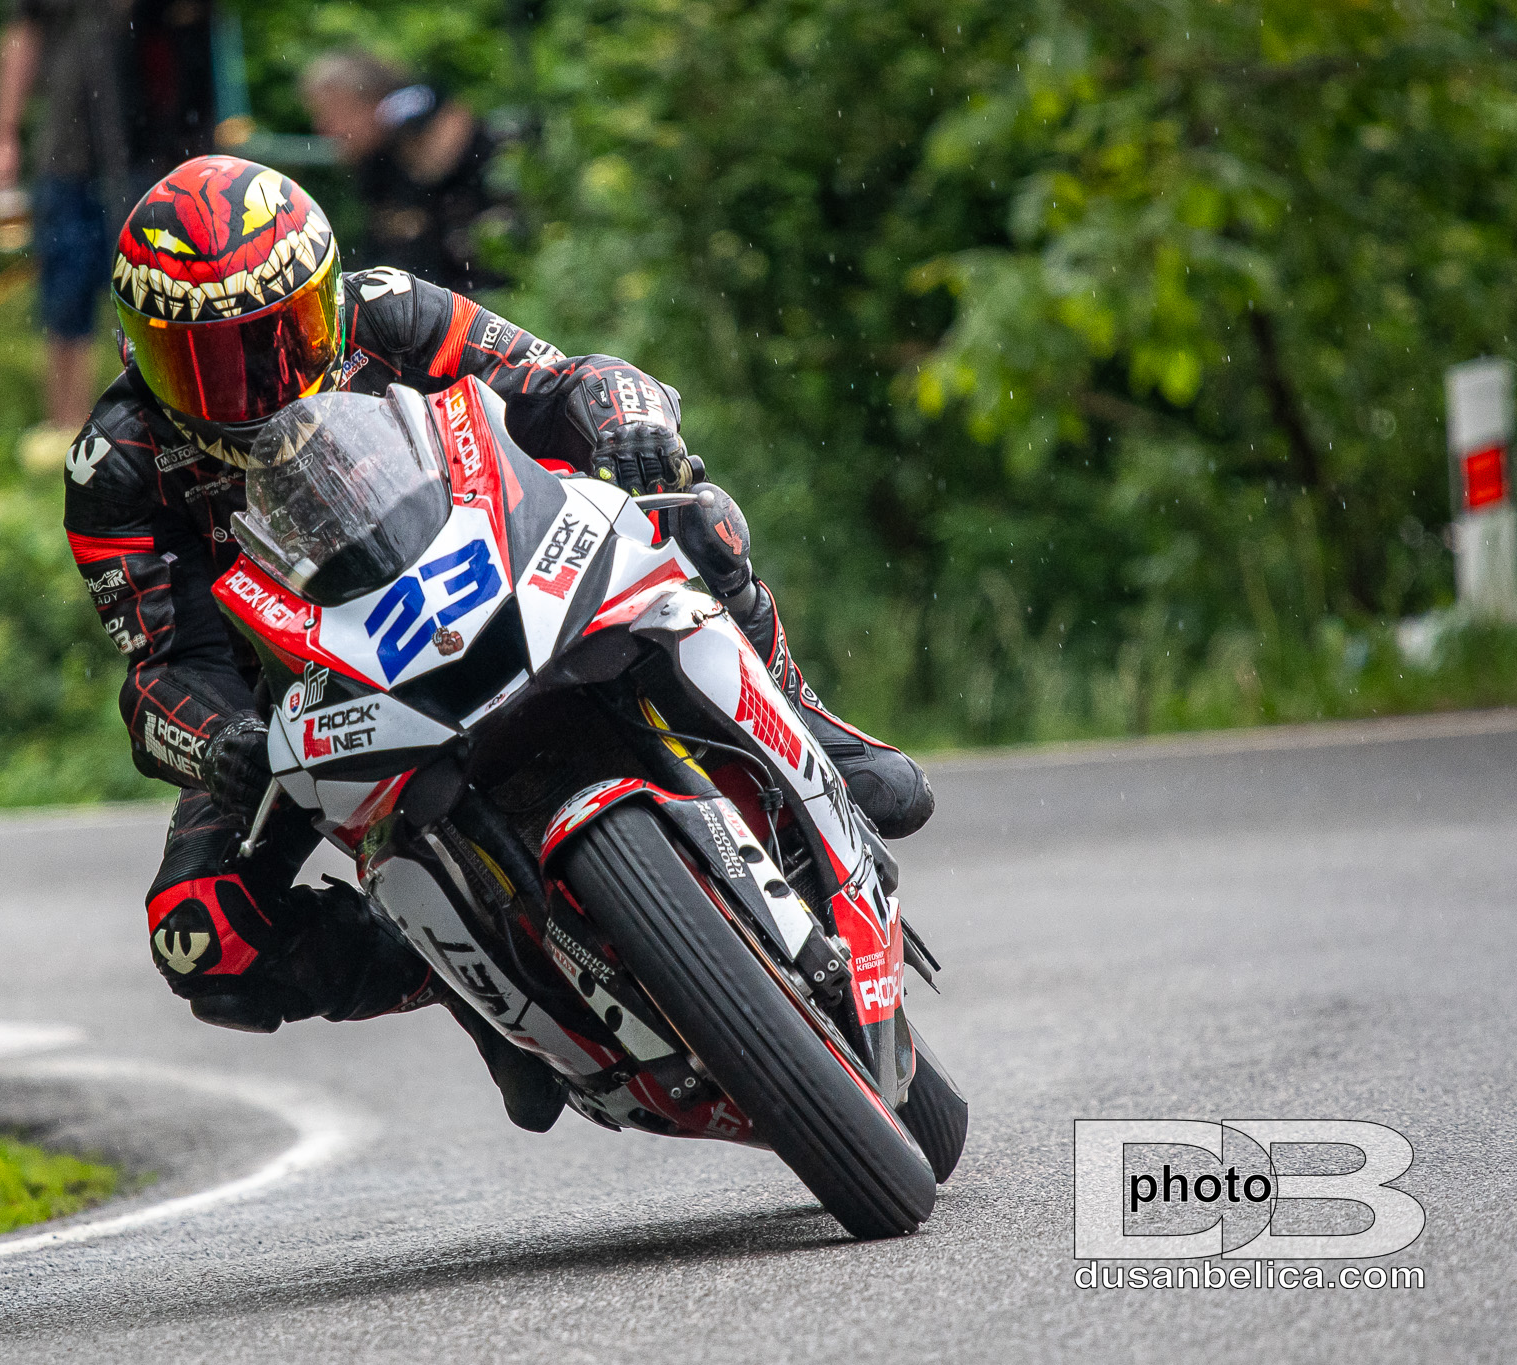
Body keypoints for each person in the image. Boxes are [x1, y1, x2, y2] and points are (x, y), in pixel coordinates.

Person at [64, 155, 933, 1130]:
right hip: (304, 694)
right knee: (201, 939)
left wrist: (630, 422)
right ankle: (462, 978)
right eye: (208, 363)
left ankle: (811, 727)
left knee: (699, 516)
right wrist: (217, 739)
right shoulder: (115, 467)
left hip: (493, 554)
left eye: (280, 336)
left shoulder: (389, 310)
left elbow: (560, 382)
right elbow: (164, 663)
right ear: (141, 348)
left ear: (326, 299)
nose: (253, 385)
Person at [0, 0, 219, 437]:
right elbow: (21, 35)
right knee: (65, 293)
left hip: (155, 153)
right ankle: (68, 427)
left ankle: (165, 421)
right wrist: (2, 138)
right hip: (67, 154)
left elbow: (199, 36)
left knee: (161, 290)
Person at [299, 47, 512, 295]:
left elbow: (450, 129)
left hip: (487, 281)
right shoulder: (373, 165)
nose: (322, 127)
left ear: (367, 99)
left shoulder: (410, 105)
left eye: (330, 112)